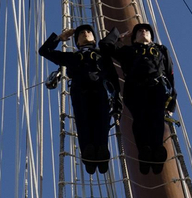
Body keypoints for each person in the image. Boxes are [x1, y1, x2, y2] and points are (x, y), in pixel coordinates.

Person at [40, 24, 121, 174]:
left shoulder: (102, 55)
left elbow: (113, 77)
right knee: (83, 122)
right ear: (76, 41)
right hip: (80, 91)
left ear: (94, 38)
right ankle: (88, 154)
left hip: (100, 89)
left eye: (89, 32)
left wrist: (117, 101)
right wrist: (60, 38)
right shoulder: (71, 57)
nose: (85, 33)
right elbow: (44, 51)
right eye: (81, 33)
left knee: (102, 121)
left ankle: (102, 152)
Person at [102, 23, 176, 175]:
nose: (144, 31)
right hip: (135, 88)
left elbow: (169, 73)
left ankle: (157, 151)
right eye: (140, 31)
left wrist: (172, 99)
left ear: (151, 36)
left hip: (158, 87)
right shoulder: (127, 51)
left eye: (147, 30)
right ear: (134, 38)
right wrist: (119, 35)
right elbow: (105, 45)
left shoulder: (161, 50)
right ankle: (144, 152)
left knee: (156, 119)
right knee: (140, 119)